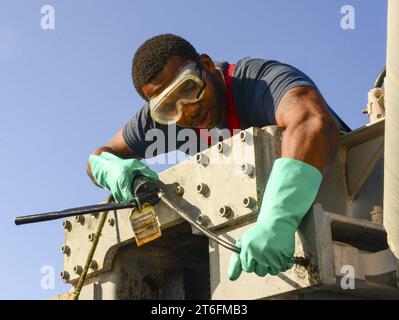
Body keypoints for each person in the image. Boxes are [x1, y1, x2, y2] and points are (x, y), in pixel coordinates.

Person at [87, 33, 351, 280]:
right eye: (169, 107)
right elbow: (99, 156)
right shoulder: (163, 120)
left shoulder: (258, 81)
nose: (188, 110)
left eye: (189, 89)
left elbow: (312, 123)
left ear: (206, 65)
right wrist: (109, 169)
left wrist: (278, 218)